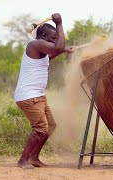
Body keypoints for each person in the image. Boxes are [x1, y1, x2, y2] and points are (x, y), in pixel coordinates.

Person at [14, 13, 73, 169]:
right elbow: (57, 47)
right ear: (43, 37)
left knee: (50, 127)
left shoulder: (41, 52)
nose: (55, 41)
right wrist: (59, 23)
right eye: (52, 38)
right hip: (29, 97)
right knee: (40, 130)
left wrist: (65, 50)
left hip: (38, 96)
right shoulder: (34, 44)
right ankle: (23, 160)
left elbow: (55, 51)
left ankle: (33, 158)